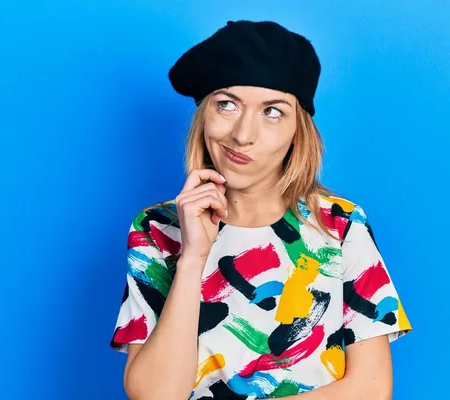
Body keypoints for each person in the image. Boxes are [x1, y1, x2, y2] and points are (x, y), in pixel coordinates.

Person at [110, 20, 412, 400]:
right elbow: (154, 396)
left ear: (298, 130)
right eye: (226, 105)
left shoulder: (339, 225)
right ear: (204, 115)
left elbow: (371, 389)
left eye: (272, 111)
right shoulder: (157, 229)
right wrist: (193, 258)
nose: (243, 135)